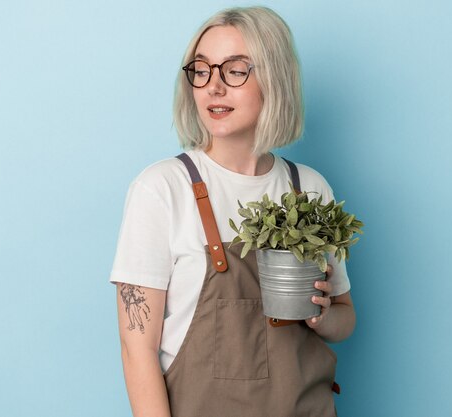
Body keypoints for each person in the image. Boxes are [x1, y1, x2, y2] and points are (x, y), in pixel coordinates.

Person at [110, 6, 356, 417]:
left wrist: (322, 313)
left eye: (236, 70)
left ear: (274, 78)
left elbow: (345, 322)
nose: (213, 87)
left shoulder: (309, 188)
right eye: (201, 70)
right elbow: (137, 350)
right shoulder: (161, 189)